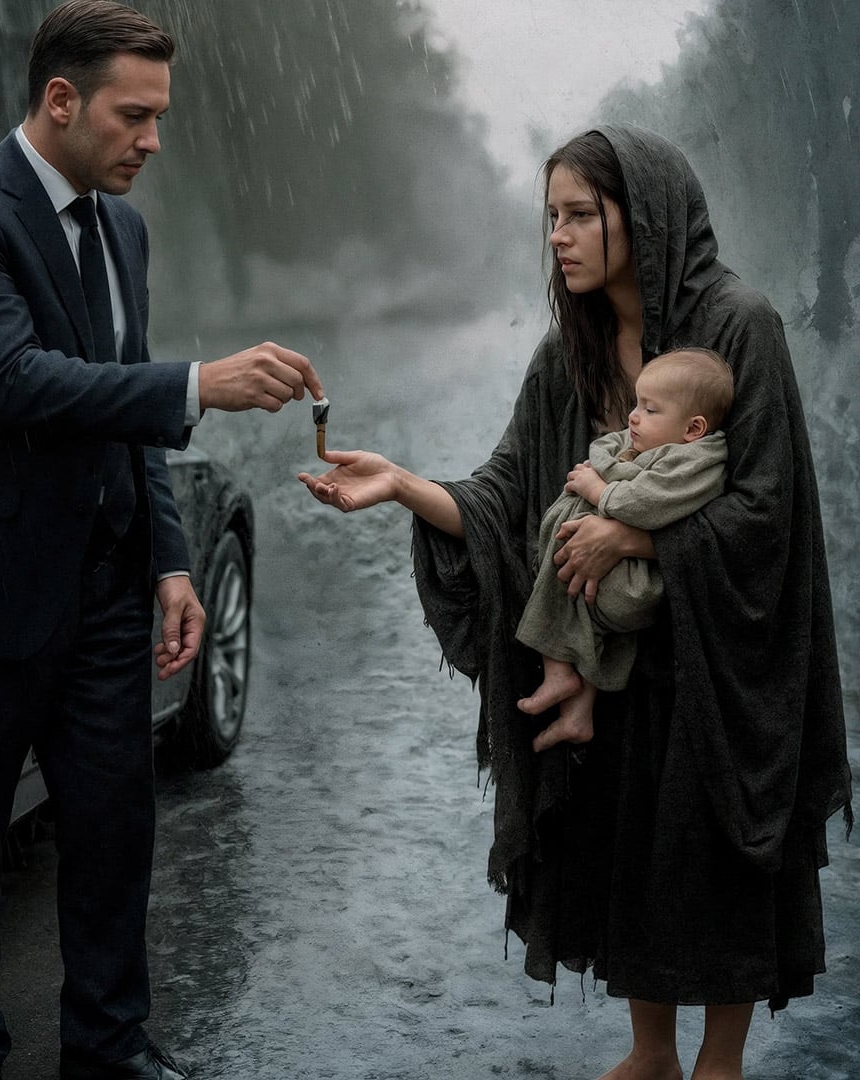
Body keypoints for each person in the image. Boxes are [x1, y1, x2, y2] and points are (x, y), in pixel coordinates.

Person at [300, 125, 852, 1080]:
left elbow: (769, 510)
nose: (559, 236)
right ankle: (651, 1055)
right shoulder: (573, 352)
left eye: (581, 215)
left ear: (642, 216)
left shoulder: (738, 326)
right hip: (621, 667)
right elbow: (504, 495)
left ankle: (718, 1064)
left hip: (719, 661)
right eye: (550, 217)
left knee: (715, 858)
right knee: (632, 850)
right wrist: (399, 483)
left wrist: (633, 535)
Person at [0, 3, 324, 1079]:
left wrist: (171, 560)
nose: (153, 141)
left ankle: (109, 1050)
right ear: (61, 99)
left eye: (160, 118)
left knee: (116, 835)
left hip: (110, 594)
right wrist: (196, 383)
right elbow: (19, 383)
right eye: (135, 115)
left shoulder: (122, 228)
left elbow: (120, 415)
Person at [517, 347, 732, 754]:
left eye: (650, 410)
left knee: (569, 533)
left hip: (634, 587)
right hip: (620, 579)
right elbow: (611, 446)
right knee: (576, 539)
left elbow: (646, 503)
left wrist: (597, 488)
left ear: (693, 428)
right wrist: (604, 468)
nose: (634, 416)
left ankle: (557, 667)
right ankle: (579, 715)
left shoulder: (699, 462)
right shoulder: (663, 446)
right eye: (636, 403)